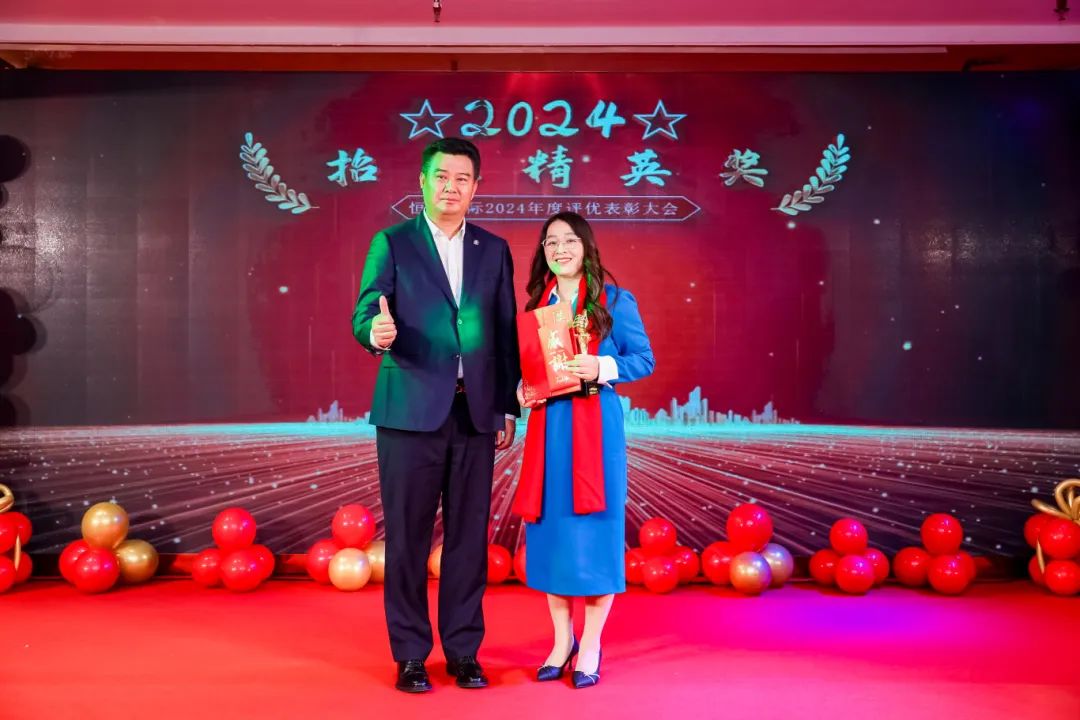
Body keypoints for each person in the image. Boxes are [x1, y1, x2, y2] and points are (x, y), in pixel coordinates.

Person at [352, 137, 520, 693]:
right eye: (442, 177)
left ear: (476, 187)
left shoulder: (493, 249)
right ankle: (409, 654)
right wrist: (374, 332)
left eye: (462, 179)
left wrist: (505, 405)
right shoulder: (393, 242)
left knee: (469, 538)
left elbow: (504, 331)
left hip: (475, 413)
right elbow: (366, 308)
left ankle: (464, 651)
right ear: (422, 182)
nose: (451, 187)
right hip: (409, 413)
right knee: (407, 538)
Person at [512, 212, 654, 689]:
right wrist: (522, 388)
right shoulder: (538, 307)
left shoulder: (615, 300)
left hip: (596, 427)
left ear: (586, 246)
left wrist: (601, 366)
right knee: (552, 533)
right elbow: (529, 368)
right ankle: (561, 641)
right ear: (543, 252)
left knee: (594, 533)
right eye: (551, 242)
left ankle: (590, 643)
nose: (560, 249)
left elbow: (644, 360)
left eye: (570, 240)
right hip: (549, 428)